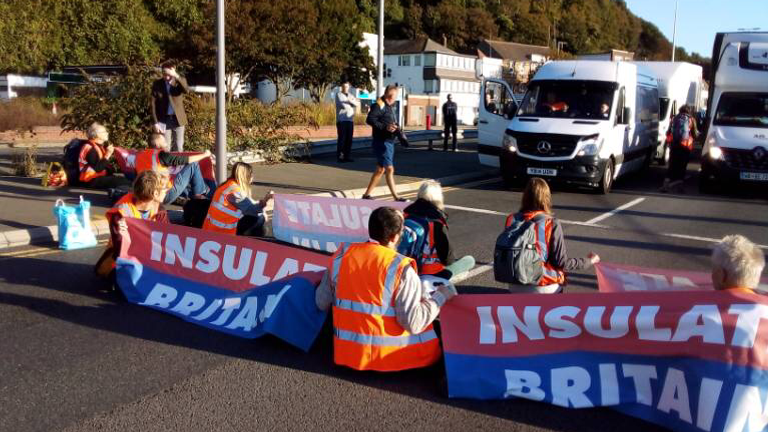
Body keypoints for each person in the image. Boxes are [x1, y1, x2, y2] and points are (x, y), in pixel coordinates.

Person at [315, 206, 458, 371]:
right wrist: (440, 297)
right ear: (395, 237)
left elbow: (321, 302)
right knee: (438, 328)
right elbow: (413, 323)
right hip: (392, 359)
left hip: (349, 355)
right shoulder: (401, 268)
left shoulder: (342, 256)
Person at [505, 178, 600, 293]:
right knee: (559, 275)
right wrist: (589, 261)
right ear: (546, 198)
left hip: (514, 285)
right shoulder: (551, 223)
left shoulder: (511, 219)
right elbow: (561, 263)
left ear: (525, 196)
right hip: (541, 286)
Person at [95, 170, 170, 283]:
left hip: (147, 256)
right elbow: (120, 249)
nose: (166, 191)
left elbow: (167, 239)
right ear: (155, 193)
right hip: (121, 260)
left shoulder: (159, 210)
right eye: (164, 188)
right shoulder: (121, 212)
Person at [403, 180, 475, 281]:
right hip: (431, 273)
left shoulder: (406, 213)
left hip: (406, 270)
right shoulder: (436, 221)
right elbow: (447, 260)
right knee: (469, 260)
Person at [135, 133, 213, 205]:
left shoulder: (140, 156)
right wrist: (205, 155)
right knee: (193, 165)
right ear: (157, 144)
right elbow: (187, 160)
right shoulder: (161, 155)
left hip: (147, 195)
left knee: (185, 183)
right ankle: (199, 196)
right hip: (163, 195)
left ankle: (199, 192)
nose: (166, 143)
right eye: (164, 141)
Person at [202, 162, 273, 237]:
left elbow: (248, 202)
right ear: (245, 176)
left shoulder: (228, 185)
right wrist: (266, 199)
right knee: (260, 218)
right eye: (251, 174)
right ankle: (249, 242)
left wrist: (263, 206)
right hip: (223, 231)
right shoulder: (235, 192)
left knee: (259, 223)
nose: (252, 177)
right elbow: (252, 210)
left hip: (211, 227)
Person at [362, 85, 406, 201]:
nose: (395, 99)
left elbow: (389, 122)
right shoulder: (379, 105)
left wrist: (397, 130)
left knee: (380, 170)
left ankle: (366, 195)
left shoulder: (389, 106)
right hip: (382, 142)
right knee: (390, 169)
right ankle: (396, 197)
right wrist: (385, 127)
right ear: (389, 96)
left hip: (388, 141)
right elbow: (370, 119)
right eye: (394, 97)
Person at [78, 122, 132, 190]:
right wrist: (108, 154)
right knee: (123, 182)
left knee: (124, 180)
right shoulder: (90, 148)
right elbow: (98, 168)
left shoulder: (98, 146)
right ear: (97, 135)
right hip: (90, 180)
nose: (107, 133)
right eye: (104, 131)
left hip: (97, 178)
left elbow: (104, 166)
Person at [151, 60, 190, 152]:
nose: (166, 76)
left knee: (179, 147)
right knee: (165, 147)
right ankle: (166, 166)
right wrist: (155, 122)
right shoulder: (157, 84)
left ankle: (178, 166)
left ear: (173, 71)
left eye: (169, 74)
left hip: (178, 119)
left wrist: (176, 75)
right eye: (164, 73)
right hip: (164, 120)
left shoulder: (179, 81)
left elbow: (186, 90)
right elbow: (153, 104)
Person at [660, 105, 699, 193]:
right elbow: (695, 134)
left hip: (674, 146)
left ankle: (665, 186)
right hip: (685, 147)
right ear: (689, 111)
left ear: (680, 110)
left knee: (672, 166)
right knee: (682, 167)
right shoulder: (691, 119)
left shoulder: (675, 118)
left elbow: (668, 132)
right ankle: (679, 188)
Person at [335, 82, 359, 162]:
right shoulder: (338, 94)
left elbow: (357, 104)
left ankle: (347, 156)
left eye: (347, 86)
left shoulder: (350, 95)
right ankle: (340, 157)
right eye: (344, 86)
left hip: (350, 120)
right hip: (342, 120)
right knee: (342, 139)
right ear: (341, 87)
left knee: (349, 139)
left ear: (349, 87)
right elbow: (343, 105)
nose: (346, 88)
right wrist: (351, 102)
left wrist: (349, 101)